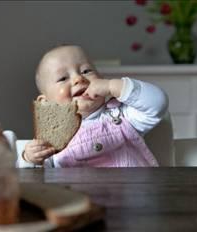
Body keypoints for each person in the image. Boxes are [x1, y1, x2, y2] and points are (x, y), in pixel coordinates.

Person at [17, 45, 168, 168]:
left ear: (100, 80)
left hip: (133, 200)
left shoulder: (123, 116)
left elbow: (158, 103)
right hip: (81, 203)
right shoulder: (50, 140)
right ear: (46, 103)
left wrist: (113, 85)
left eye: (86, 71)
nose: (78, 78)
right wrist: (30, 159)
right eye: (63, 78)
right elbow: (35, 181)